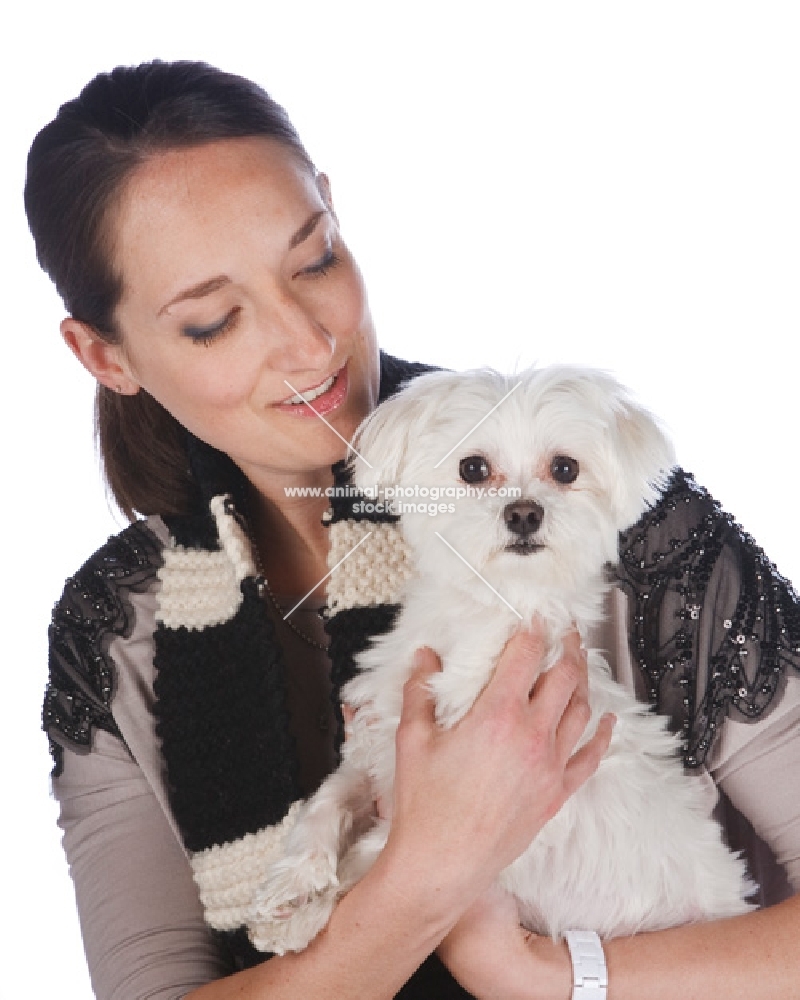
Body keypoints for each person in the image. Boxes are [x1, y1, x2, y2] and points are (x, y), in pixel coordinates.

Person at [26, 60, 800, 1000]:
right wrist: (426, 879)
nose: (312, 344)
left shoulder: (606, 513)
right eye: (215, 321)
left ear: (336, 213)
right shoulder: (119, 635)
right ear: (104, 356)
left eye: (315, 260)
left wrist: (547, 975)